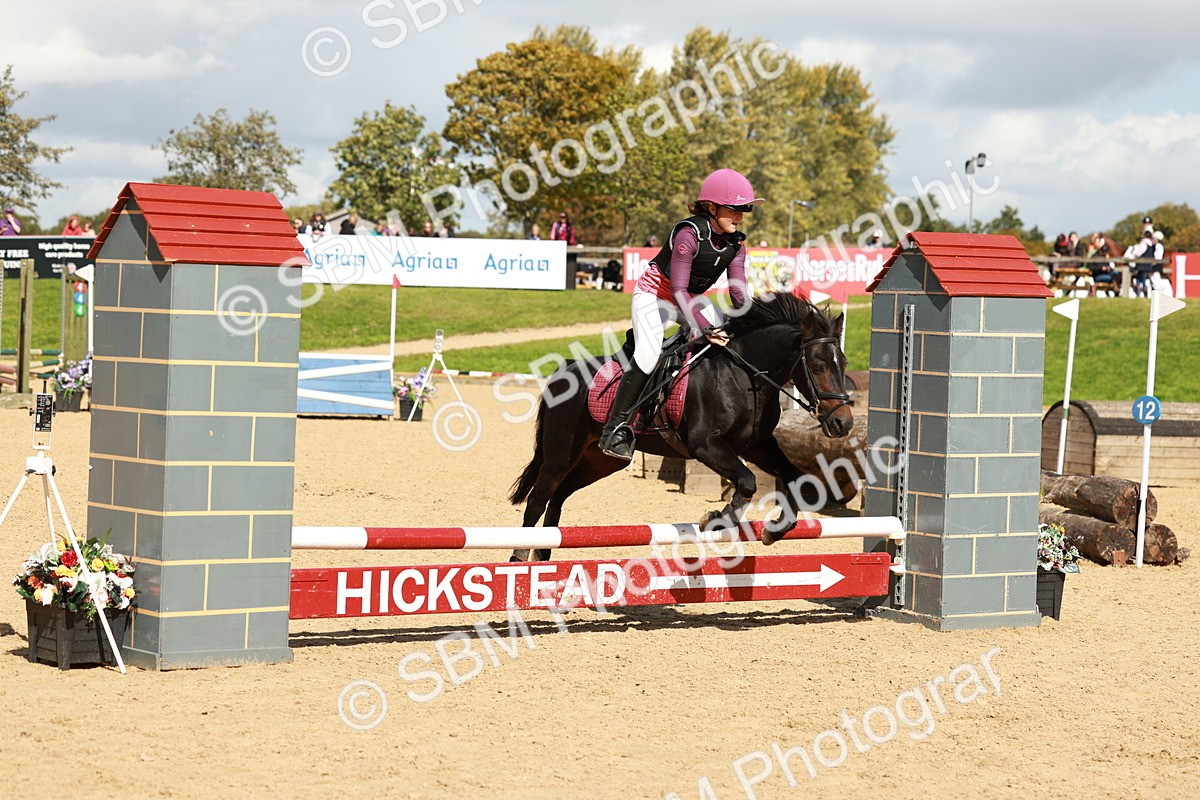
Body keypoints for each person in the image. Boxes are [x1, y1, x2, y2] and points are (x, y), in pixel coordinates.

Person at [598, 168, 756, 460]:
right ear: (711, 207)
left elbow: (739, 295)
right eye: (733, 209)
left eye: (744, 210)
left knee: (724, 334)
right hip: (654, 296)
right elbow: (678, 290)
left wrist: (758, 321)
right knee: (648, 355)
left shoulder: (736, 245)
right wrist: (706, 328)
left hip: (689, 298)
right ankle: (614, 429)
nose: (740, 216)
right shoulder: (688, 234)